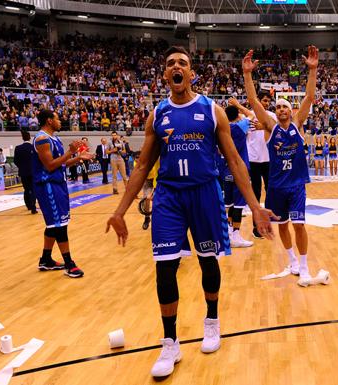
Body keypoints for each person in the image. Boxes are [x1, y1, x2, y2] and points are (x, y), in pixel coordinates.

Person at [106, 46, 276, 379]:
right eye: (170, 64)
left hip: (205, 193)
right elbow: (142, 165)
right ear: (165, 74)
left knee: (207, 261)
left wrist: (255, 207)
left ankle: (212, 321)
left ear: (191, 73)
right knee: (165, 269)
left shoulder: (212, 111)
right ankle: (170, 343)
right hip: (169, 196)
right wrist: (120, 210)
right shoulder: (158, 114)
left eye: (182, 63)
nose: (176, 67)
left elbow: (235, 162)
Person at [243, 46, 318, 286]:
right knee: (283, 226)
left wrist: (313, 70)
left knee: (299, 225)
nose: (282, 109)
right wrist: (247, 75)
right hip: (275, 186)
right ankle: (292, 261)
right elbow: (253, 100)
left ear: (291, 110)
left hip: (296, 185)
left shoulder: (298, 123)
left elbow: (308, 97)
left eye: (285, 106)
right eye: (278, 108)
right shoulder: (269, 127)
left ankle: (304, 267)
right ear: (275, 113)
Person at [32, 109, 92, 278]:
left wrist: (79, 158)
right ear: (49, 121)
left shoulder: (54, 138)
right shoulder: (42, 139)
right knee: (59, 225)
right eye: (57, 118)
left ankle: (45, 259)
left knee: (54, 224)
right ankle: (69, 264)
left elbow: (61, 164)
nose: (60, 121)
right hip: (48, 186)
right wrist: (69, 152)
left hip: (57, 184)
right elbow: (50, 165)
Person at [223, 103, 255, 248]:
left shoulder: (221, 129)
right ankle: (236, 235)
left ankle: (229, 231)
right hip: (240, 169)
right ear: (237, 115)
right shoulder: (240, 126)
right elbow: (251, 115)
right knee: (239, 205)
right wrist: (238, 105)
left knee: (229, 204)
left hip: (225, 169)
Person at [246, 90, 275, 239]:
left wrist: (263, 127)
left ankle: (269, 223)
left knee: (271, 191)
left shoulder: (272, 116)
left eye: (268, 101)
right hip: (253, 160)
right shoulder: (249, 115)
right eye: (264, 100)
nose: (266, 103)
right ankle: (256, 227)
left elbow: (276, 132)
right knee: (255, 195)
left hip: (268, 159)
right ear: (258, 100)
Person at [13, 130, 37, 214]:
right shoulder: (33, 147)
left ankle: (28, 205)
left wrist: (21, 167)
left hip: (23, 172)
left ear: (22, 138)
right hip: (32, 172)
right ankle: (33, 207)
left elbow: (15, 160)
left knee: (26, 189)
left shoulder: (18, 148)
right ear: (29, 137)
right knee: (33, 189)